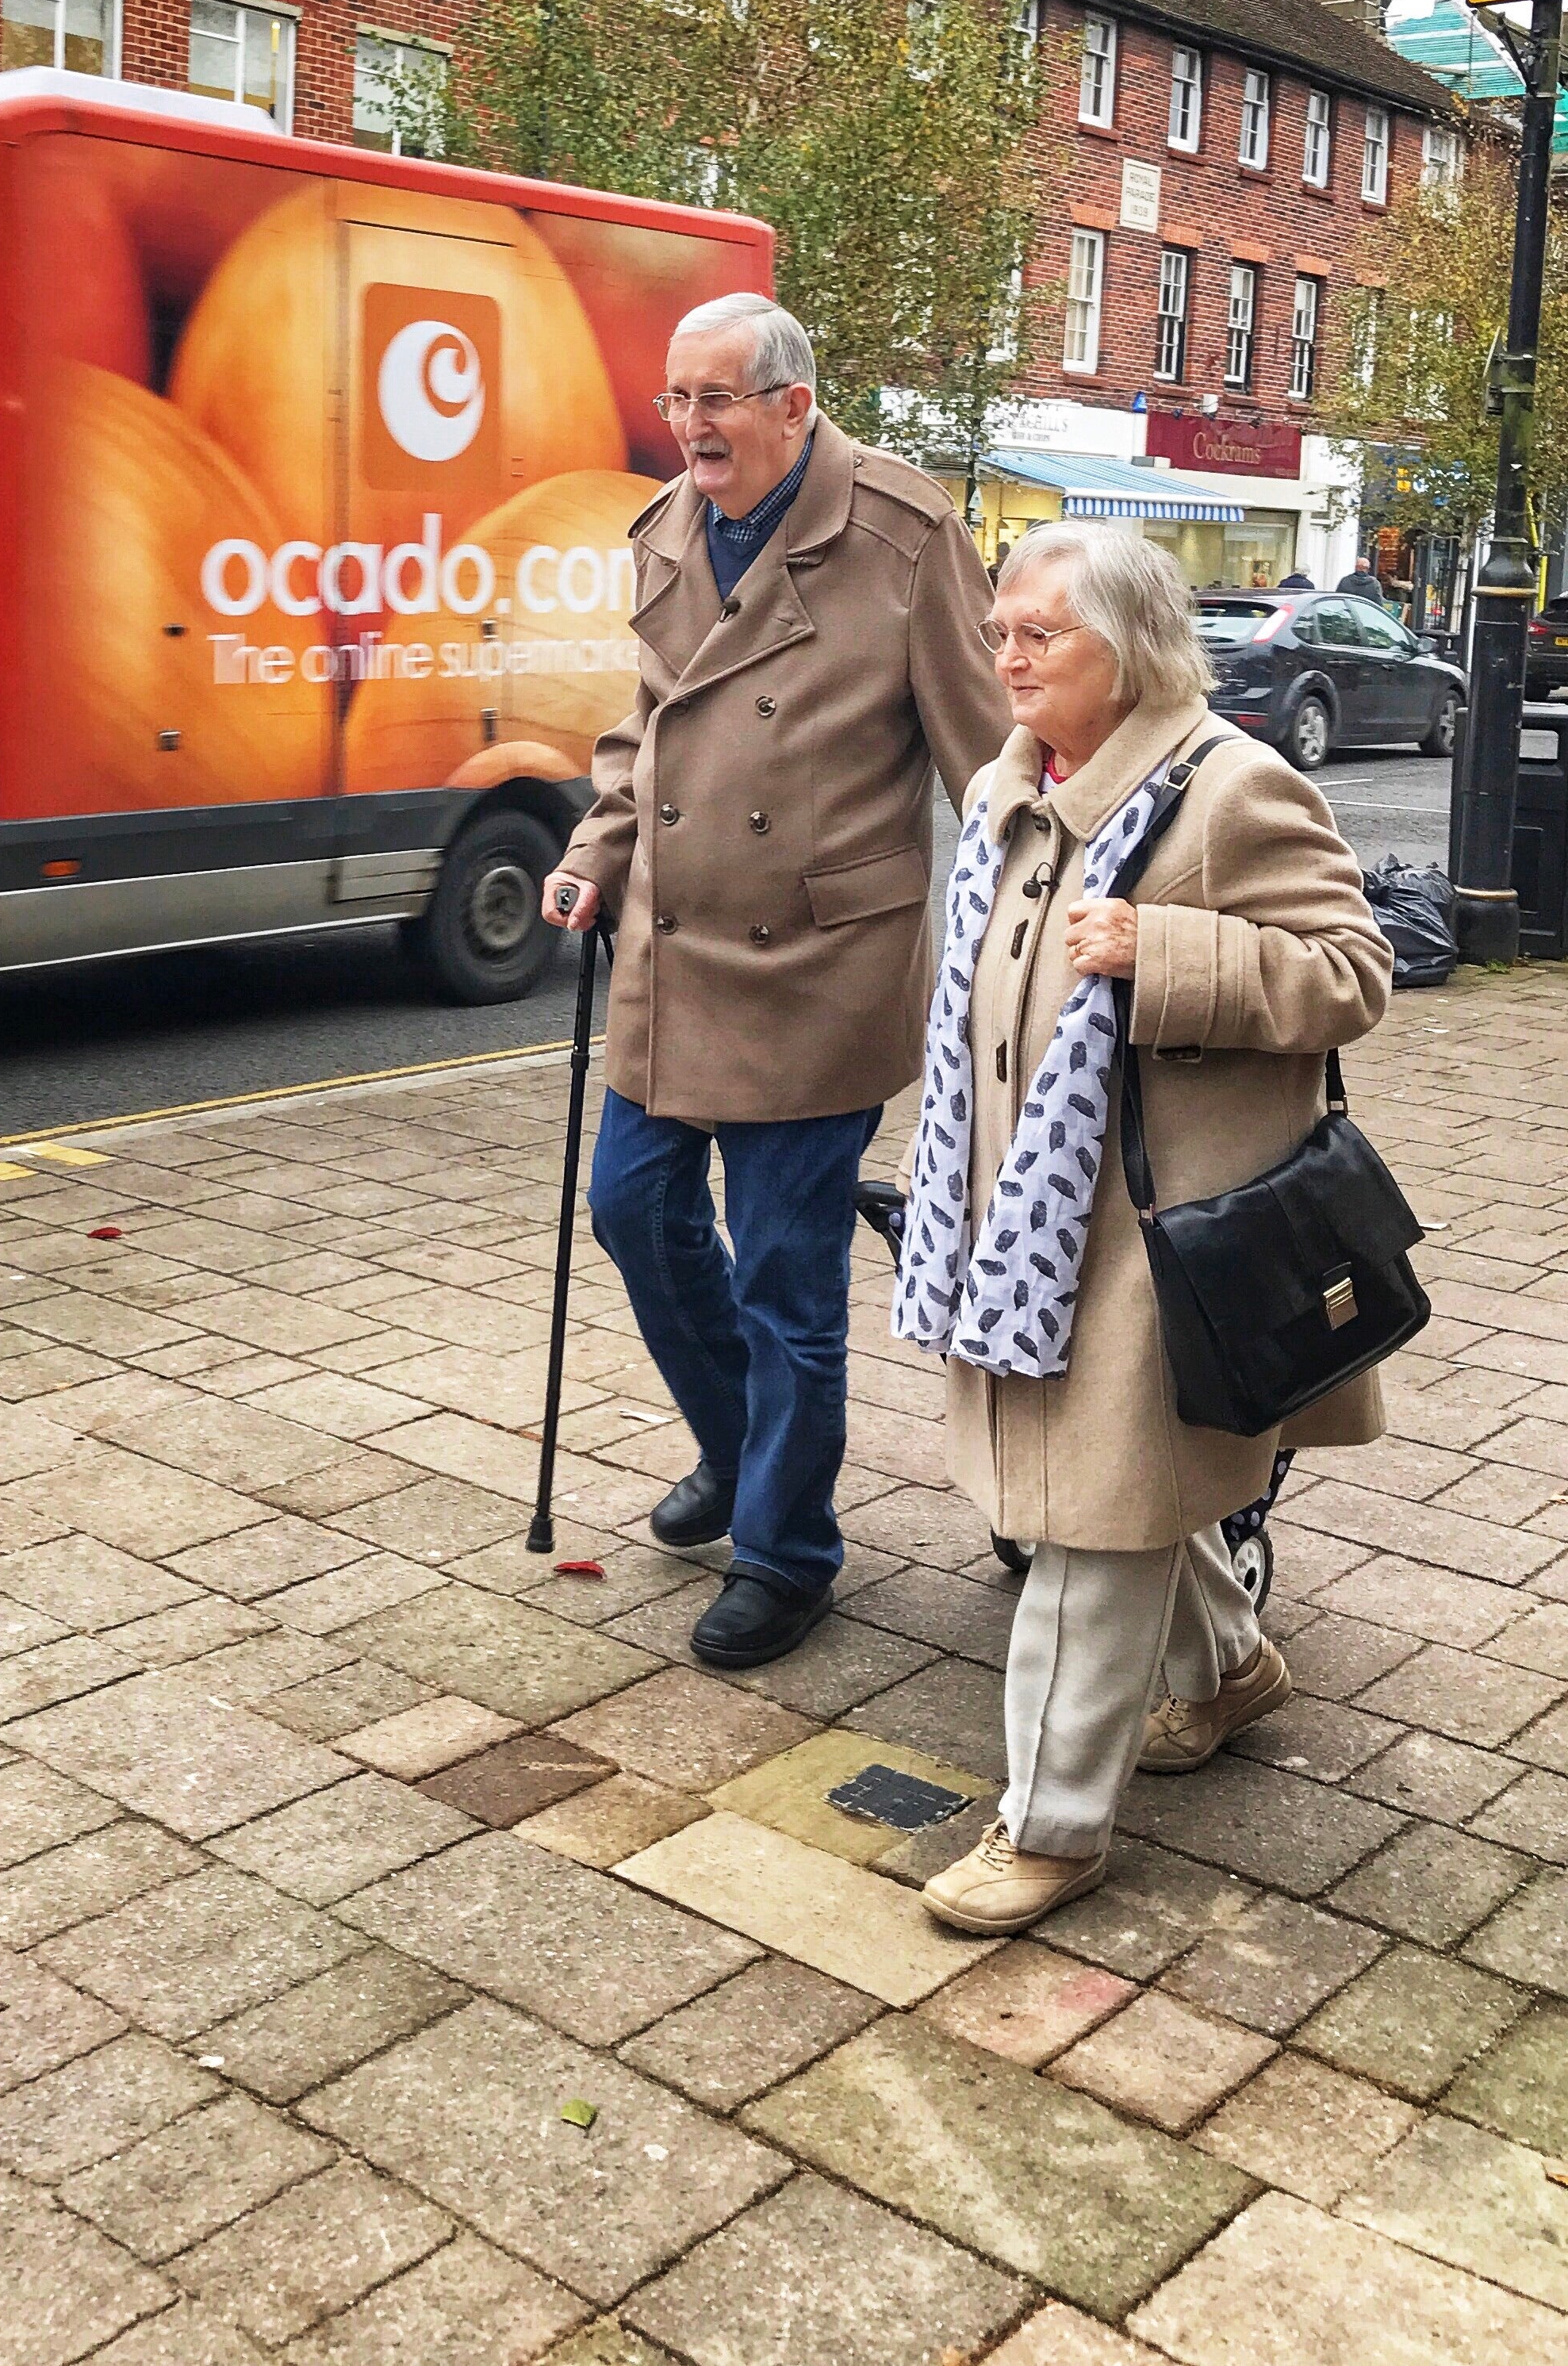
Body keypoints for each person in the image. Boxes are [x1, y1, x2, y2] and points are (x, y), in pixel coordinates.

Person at [899, 520, 1392, 1935]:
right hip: (1027, 1224)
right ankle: (1231, 1666)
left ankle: (1051, 1824)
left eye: (1036, 635)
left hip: (1157, 1233)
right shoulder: (1015, 780)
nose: (1003, 658)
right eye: (999, 631)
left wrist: (1161, 949)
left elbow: (1352, 976)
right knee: (1108, 1498)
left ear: (1131, 648)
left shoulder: (1234, 788)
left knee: (1085, 1524)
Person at [543, 293, 1006, 1670]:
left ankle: (786, 1549)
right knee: (630, 1209)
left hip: (817, 967)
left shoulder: (903, 536)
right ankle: (743, 1453)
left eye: (715, 400)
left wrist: (1040, 928)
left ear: (793, 405)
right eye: (674, 399)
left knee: (787, 1287)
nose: (685, 426)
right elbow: (647, 733)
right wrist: (592, 849)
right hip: (672, 955)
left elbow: (987, 761)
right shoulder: (670, 530)